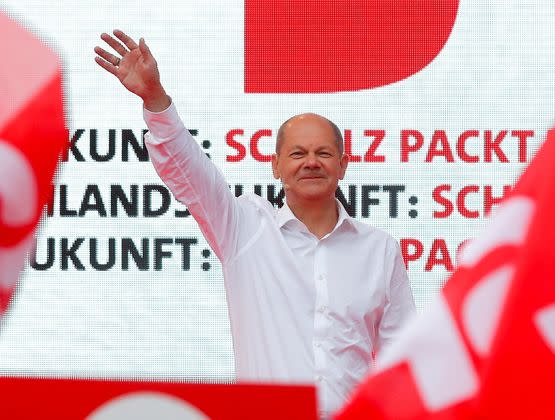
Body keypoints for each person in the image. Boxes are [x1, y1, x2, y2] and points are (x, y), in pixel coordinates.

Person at [95, 30, 416, 416]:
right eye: (297, 153)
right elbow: (189, 173)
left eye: (323, 153)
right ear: (276, 166)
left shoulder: (379, 249)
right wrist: (155, 100)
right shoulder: (245, 228)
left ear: (343, 165)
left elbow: (403, 359)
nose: (311, 162)